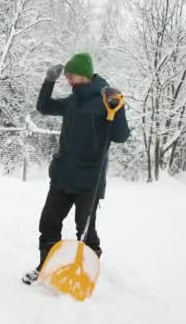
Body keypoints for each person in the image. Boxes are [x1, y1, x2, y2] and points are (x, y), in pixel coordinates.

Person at [22, 53, 130, 285]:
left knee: (86, 231)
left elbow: (121, 136)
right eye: (67, 77)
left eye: (71, 76)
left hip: (89, 181)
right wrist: (48, 82)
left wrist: (118, 107)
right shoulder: (73, 101)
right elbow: (44, 107)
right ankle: (46, 269)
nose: (68, 81)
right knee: (48, 224)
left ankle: (85, 277)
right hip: (62, 176)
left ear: (84, 74)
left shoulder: (106, 100)